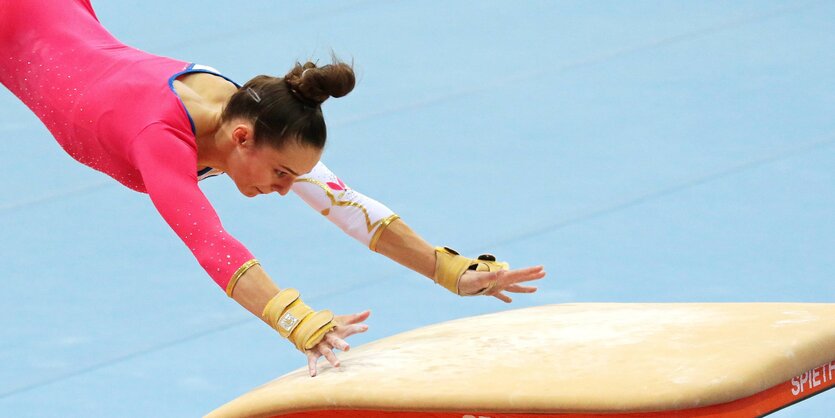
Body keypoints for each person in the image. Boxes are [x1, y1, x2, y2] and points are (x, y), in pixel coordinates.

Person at [0, 0, 547, 377]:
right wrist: (296, 320)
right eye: (282, 175)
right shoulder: (159, 137)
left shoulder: (263, 116)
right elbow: (210, 244)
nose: (287, 189)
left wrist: (447, 268)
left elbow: (347, 205)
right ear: (240, 138)